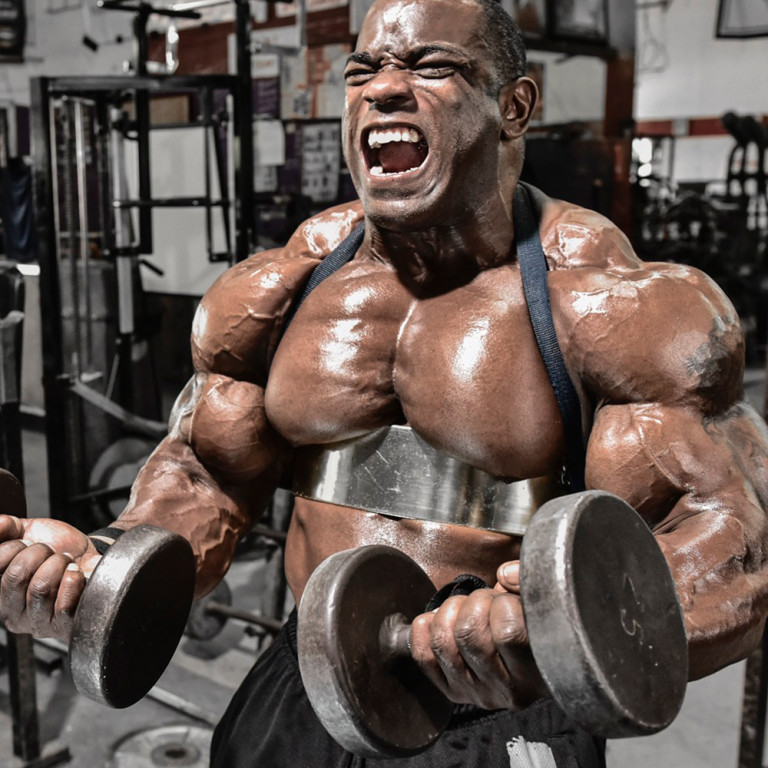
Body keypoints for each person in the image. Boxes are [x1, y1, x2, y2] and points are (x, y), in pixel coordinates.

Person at [3, 0, 768, 765]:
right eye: (362, 71)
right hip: (307, 681)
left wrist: (554, 627)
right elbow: (208, 477)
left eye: (432, 66)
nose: (385, 89)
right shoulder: (289, 286)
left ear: (514, 107)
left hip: (500, 713)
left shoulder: (604, 302)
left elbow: (733, 543)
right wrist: (98, 567)